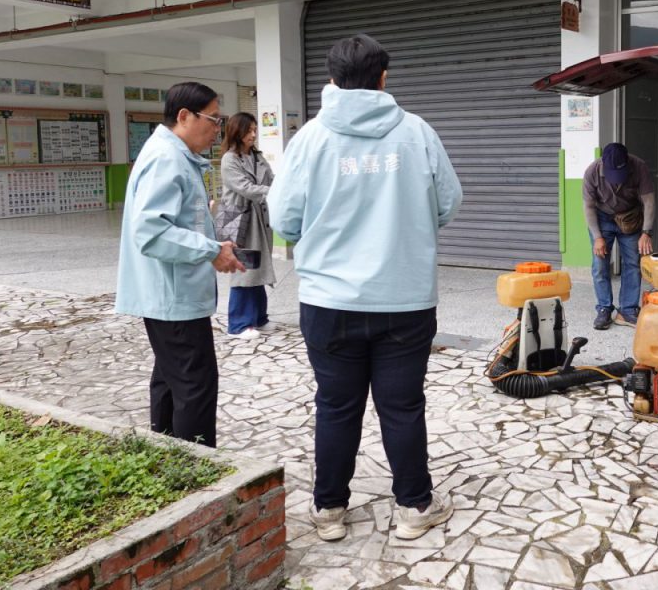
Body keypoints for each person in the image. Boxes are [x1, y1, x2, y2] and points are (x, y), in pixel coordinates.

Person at [268, 33, 463, 543]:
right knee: (402, 406)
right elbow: (449, 203)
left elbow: (285, 220)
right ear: (383, 78)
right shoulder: (417, 133)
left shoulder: (310, 139)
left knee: (335, 405)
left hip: (329, 302)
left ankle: (330, 510)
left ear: (332, 80)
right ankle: (415, 505)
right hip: (405, 297)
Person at [115, 82, 244, 448]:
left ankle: (169, 454)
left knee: (172, 379)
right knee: (195, 384)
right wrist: (209, 250)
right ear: (184, 116)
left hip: (171, 293)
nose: (218, 129)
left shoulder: (174, 155)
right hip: (172, 298)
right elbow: (152, 231)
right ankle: (198, 465)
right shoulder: (166, 158)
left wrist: (211, 246)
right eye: (214, 119)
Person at [583, 142, 655, 330]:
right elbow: (588, 207)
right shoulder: (592, 172)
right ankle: (604, 309)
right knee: (600, 265)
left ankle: (628, 310)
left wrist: (646, 232)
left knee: (632, 263)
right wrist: (597, 237)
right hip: (601, 218)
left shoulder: (639, 167)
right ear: (603, 165)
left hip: (629, 218)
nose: (616, 180)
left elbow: (649, 201)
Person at [219, 112, 276, 338]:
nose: (253, 134)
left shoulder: (257, 156)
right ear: (237, 132)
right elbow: (245, 187)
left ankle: (259, 318)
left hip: (260, 219)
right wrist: (276, 193)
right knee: (244, 269)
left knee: (258, 266)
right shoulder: (229, 159)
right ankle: (239, 324)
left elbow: (271, 178)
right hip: (241, 220)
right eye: (249, 130)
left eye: (255, 130)